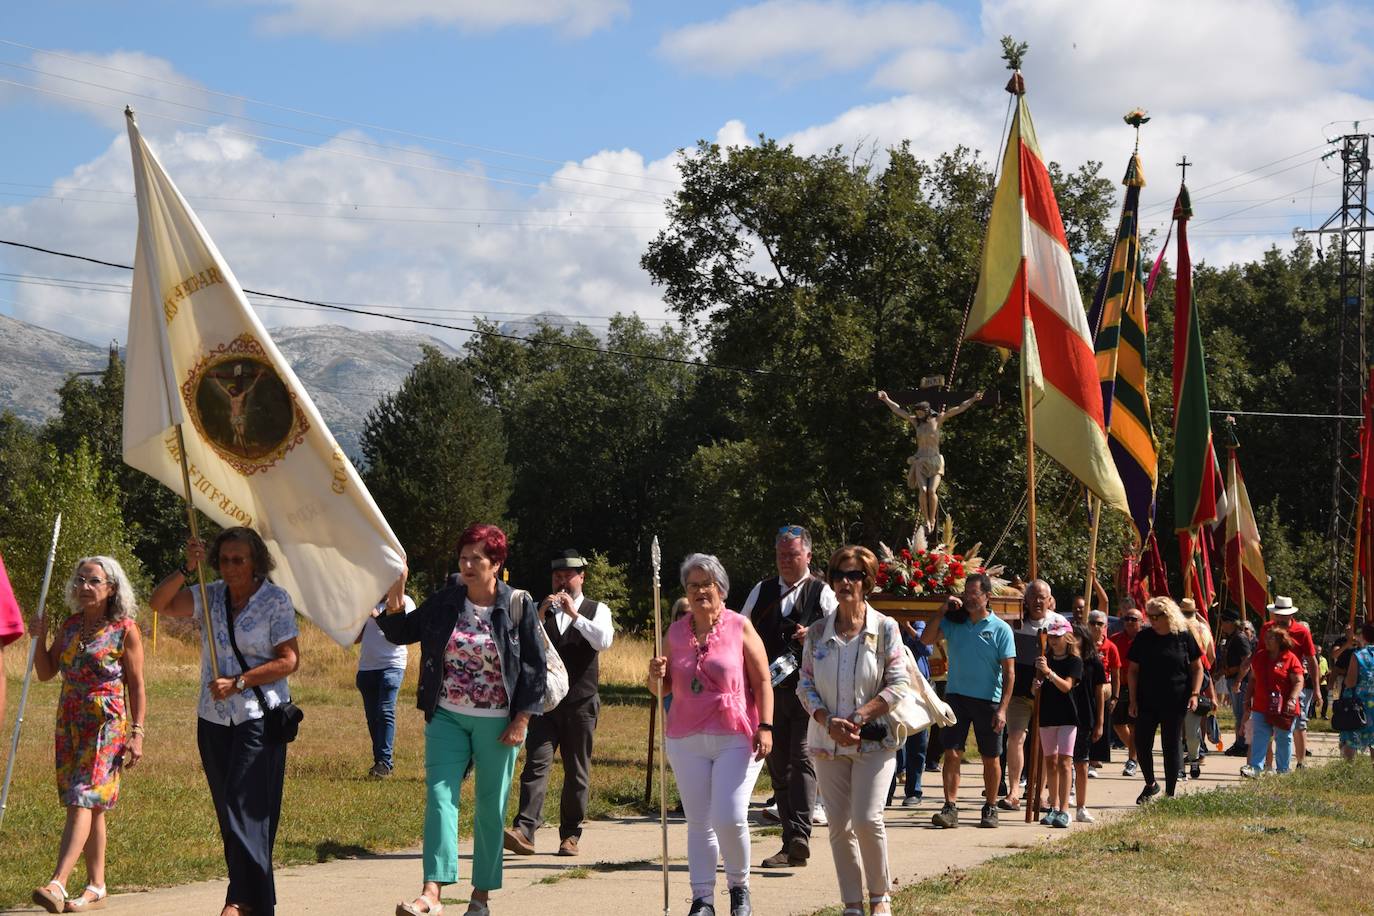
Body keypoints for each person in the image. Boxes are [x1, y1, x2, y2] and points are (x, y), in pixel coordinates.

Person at [374, 523, 546, 916]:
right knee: (439, 798)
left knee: (490, 808)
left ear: (497, 563)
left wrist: (522, 719)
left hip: (499, 723)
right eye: (463, 557)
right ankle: (432, 892)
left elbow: (535, 668)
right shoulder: (447, 600)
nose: (467, 565)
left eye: (477, 558)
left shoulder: (517, 604)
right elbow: (402, 632)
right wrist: (398, 587)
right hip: (447, 717)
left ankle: (480, 897)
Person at [150, 529, 301, 916]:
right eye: (225, 559)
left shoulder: (275, 600)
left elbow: (289, 660)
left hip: (257, 715)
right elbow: (159, 603)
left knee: (245, 806)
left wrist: (240, 682)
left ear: (256, 562)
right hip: (213, 718)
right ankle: (256, 902)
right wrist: (187, 568)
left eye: (240, 560)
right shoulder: (209, 593)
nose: (231, 567)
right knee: (228, 810)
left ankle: (239, 900)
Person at [647, 554, 772, 916]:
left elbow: (763, 679)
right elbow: (660, 687)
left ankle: (739, 888)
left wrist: (766, 724)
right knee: (699, 820)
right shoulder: (675, 632)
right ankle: (702, 898)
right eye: (693, 585)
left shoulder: (740, 626)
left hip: (735, 733)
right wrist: (655, 674)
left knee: (729, 815)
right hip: (686, 737)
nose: (700, 591)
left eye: (707, 584)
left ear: (721, 588)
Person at [28, 557, 145, 914]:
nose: (84, 586)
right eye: (79, 580)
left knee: (82, 797)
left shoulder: (125, 629)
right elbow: (47, 673)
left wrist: (137, 732)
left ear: (112, 588)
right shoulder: (70, 625)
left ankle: (57, 883)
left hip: (106, 723)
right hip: (70, 721)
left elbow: (137, 686)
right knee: (88, 803)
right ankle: (97, 885)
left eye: (93, 580)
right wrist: (40, 637)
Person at [797, 546, 908, 916]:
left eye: (855, 575)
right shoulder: (816, 633)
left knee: (865, 818)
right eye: (840, 575)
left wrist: (859, 717)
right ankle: (852, 904)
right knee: (839, 826)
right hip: (828, 741)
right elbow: (805, 685)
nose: (846, 582)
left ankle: (880, 898)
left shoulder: (886, 628)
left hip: (874, 741)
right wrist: (828, 720)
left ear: (868, 582)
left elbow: (897, 684)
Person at [507, 549, 614, 858]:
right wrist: (538, 617)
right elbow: (521, 646)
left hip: (581, 703)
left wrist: (576, 616)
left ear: (582, 577)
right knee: (536, 764)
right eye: (557, 576)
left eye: (568, 576)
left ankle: (570, 835)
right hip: (545, 704)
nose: (562, 581)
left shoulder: (597, 610)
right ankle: (524, 830)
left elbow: (603, 641)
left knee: (576, 772)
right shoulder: (542, 610)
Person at [739, 525, 836, 868]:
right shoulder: (762, 590)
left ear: (808, 555)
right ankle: (789, 840)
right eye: (781, 555)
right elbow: (740, 629)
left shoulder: (822, 591)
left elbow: (843, 630)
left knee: (801, 760)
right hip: (769, 692)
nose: (785, 561)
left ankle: (798, 836)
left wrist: (817, 632)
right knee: (778, 766)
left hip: (808, 693)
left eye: (792, 555)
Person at [921, 571, 1015, 829]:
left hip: (989, 701)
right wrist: (941, 611)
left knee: (990, 757)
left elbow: (1009, 672)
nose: (970, 600)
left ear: (988, 596)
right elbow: (926, 639)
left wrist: (1003, 709)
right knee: (951, 752)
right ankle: (950, 807)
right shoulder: (954, 622)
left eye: (975, 595)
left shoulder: (1001, 629)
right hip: (956, 698)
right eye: (966, 594)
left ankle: (991, 807)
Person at [1126, 597, 1202, 803]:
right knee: (1141, 743)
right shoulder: (1144, 637)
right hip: (1146, 700)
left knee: (1171, 745)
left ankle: (1170, 793)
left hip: (1175, 700)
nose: (1151, 620)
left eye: (1155, 616)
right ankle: (1151, 784)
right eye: (1148, 616)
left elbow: (1197, 668)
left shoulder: (1184, 637)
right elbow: (1132, 670)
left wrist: (1194, 694)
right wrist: (1132, 699)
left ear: (1168, 615)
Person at [1002, 579, 1068, 811]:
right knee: (1016, 738)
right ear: (1026, 600)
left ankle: (1039, 793)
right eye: (1033, 597)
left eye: (1042, 597)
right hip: (1020, 692)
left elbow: (1069, 657)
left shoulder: (1059, 623)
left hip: (1047, 694)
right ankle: (1013, 792)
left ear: (1049, 600)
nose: (1038, 601)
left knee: (1042, 745)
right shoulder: (1014, 622)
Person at [357, 591, 416, 778]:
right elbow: (356, 638)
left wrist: (375, 614)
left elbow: (402, 633)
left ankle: (384, 762)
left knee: (385, 711)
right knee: (373, 716)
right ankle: (380, 762)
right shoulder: (367, 601)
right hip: (367, 667)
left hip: (392, 665)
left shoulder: (404, 602)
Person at [1032, 619, 1080, 829]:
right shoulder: (1045, 659)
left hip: (1068, 716)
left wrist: (1049, 673)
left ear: (1067, 637)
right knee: (1050, 762)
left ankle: (1064, 810)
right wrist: (1036, 686)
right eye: (1051, 636)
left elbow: (1066, 686)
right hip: (1048, 716)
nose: (1053, 640)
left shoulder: (1074, 661)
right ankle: (1053, 805)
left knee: (1064, 762)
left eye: (1057, 636)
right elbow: (1037, 690)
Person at [1260, 598, 1319, 768]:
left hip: (1295, 684)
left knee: (1299, 724)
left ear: (1292, 614)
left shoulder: (1301, 631)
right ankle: (1268, 764)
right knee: (1268, 724)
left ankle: (1300, 762)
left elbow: (1312, 660)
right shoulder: (1267, 629)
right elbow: (1260, 655)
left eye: (1284, 617)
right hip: (1271, 684)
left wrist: (1317, 688)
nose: (1280, 620)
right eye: (1278, 616)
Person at [1240, 627, 1304, 777]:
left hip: (1284, 707)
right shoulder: (1260, 656)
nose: (1266, 641)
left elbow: (1298, 681)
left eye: (1271, 638)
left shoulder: (1290, 658)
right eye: (1266, 637)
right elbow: (1253, 679)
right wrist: (1247, 699)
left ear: (1280, 641)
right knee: (1260, 735)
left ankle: (1283, 770)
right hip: (1261, 705)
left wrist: (1292, 699)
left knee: (1283, 737)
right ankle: (1256, 767)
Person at [886, 617, 932, 809]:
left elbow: (926, 648)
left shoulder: (919, 623)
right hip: (890, 690)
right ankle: (886, 793)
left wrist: (907, 627)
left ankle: (914, 791)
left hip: (916, 692)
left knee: (917, 744)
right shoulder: (885, 623)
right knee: (891, 744)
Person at [1070, 622, 1107, 821]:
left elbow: (1099, 693)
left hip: (1084, 716)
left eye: (1075, 637)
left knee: (1081, 761)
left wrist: (1100, 722)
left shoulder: (1094, 663)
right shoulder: (1062, 660)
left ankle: (1081, 806)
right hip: (1063, 716)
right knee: (1063, 760)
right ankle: (1061, 798)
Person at [1108, 601, 1143, 775]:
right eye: (1126, 618)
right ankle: (1138, 751)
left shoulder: (1146, 640)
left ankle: (1132, 760)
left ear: (1141, 622)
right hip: (1119, 687)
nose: (1129, 622)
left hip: (1139, 688)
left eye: (1133, 619)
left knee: (1134, 725)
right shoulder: (1115, 639)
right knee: (1118, 725)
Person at [1217, 609, 1253, 757]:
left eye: (1223, 621)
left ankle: (1242, 745)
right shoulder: (1232, 637)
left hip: (1241, 681)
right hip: (1233, 678)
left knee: (1241, 714)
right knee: (1238, 714)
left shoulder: (1240, 638)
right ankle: (1240, 743)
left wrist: (1238, 680)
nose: (1221, 625)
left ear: (1231, 622)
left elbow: (1247, 660)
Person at [1086, 609, 1118, 774]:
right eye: (1093, 623)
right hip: (1085, 689)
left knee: (1100, 724)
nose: (1096, 627)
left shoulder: (1110, 647)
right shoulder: (1082, 644)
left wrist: (1115, 697)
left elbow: (1116, 672)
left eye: (1100, 624)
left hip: (1103, 690)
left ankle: (1094, 760)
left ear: (1105, 626)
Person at [1338, 621, 1374, 763]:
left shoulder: (1359, 655)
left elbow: (1351, 682)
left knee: (1351, 736)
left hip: (1359, 704)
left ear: (1363, 636)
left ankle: (1349, 769)